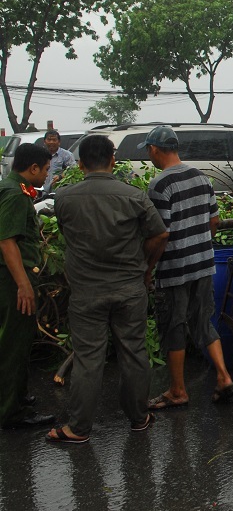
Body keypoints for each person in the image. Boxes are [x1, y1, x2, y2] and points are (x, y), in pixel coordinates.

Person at [46, 135, 169, 443]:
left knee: (88, 358)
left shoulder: (64, 197)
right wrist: (145, 265)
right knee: (134, 352)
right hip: (129, 288)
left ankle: (79, 428)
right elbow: (159, 235)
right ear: (113, 160)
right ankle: (139, 417)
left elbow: (66, 233)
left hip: (86, 292)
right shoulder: (133, 196)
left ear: (81, 163)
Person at [140, 126, 233, 409]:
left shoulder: (159, 185)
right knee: (203, 322)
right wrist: (201, 244)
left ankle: (178, 391)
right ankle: (223, 376)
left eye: (148, 150)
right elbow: (214, 221)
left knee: (174, 326)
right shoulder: (201, 178)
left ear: (155, 149)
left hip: (175, 268)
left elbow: (161, 234)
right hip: (204, 264)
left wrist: (148, 270)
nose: (149, 156)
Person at [0, 144, 55, 431]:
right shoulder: (16, 195)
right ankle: (12, 412)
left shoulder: (10, 187)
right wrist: (23, 285)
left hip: (10, 278)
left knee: (13, 341)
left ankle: (15, 396)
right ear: (33, 168)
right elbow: (7, 242)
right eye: (45, 169)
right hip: (12, 281)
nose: (47, 175)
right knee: (14, 345)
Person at [42, 129, 76, 194]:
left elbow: (73, 171)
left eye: (54, 140)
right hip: (41, 192)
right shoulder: (40, 154)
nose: (51, 142)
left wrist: (60, 176)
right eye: (49, 140)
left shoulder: (67, 155)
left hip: (58, 192)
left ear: (59, 142)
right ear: (44, 141)